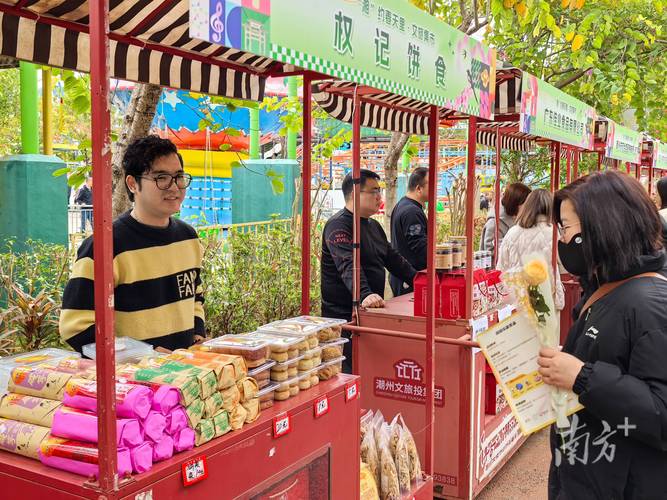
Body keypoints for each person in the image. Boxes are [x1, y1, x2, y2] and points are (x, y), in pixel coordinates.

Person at [536, 170, 667, 499]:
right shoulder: (605, 289)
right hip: (590, 471)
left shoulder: (649, 304)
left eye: (566, 227)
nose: (562, 239)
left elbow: (661, 412)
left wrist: (582, 376)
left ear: (601, 227)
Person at [60, 135, 206, 354]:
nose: (174, 187)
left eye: (178, 177)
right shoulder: (105, 247)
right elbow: (75, 327)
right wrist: (144, 355)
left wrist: (197, 335)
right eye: (161, 178)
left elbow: (195, 296)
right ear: (132, 183)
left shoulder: (188, 237)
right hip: (136, 376)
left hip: (187, 370)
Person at [321, 169, 416, 372]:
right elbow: (347, 265)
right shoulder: (338, 226)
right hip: (344, 319)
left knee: (370, 370)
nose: (379, 197)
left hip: (370, 314)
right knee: (349, 372)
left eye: (379, 191)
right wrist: (365, 293)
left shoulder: (373, 226)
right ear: (355, 192)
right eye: (374, 191)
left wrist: (421, 281)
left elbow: (395, 260)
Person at [497, 189, 564, 310]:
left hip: (518, 299)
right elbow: (563, 265)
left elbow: (501, 268)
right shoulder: (553, 232)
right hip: (547, 298)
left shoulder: (512, 232)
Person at [390, 167, 428, 296]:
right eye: (431, 184)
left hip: (402, 276)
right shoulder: (412, 212)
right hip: (409, 279)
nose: (435, 188)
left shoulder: (403, 205)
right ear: (419, 188)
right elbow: (419, 245)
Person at [480, 182, 531, 260]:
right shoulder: (494, 222)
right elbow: (491, 250)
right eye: (526, 204)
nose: (528, 207)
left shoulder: (518, 217)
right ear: (516, 203)